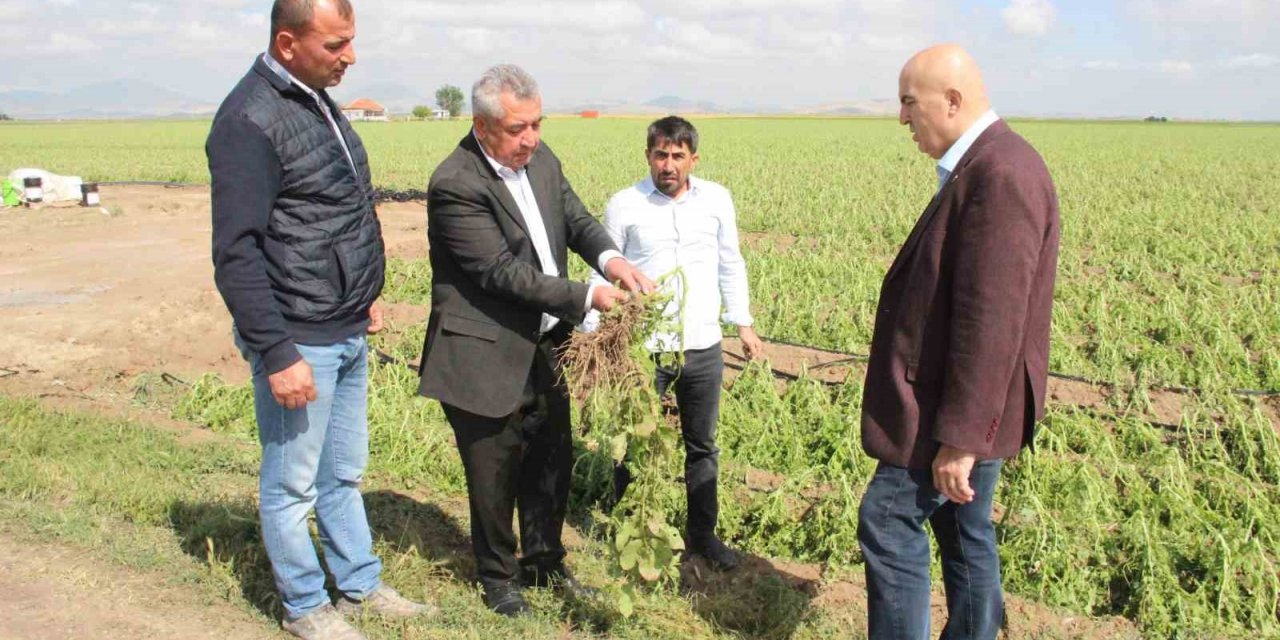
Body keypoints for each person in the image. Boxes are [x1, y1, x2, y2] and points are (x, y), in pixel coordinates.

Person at [207, 1, 432, 638]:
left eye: (351, 41)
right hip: (299, 335)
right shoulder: (248, 120)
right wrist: (277, 352)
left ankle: (358, 585)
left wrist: (360, 293)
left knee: (342, 471)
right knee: (292, 484)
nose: (350, 57)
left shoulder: (313, 99)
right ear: (287, 43)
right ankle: (306, 606)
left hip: (344, 325)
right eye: (336, 44)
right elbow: (236, 253)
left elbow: (330, 214)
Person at [416, 63, 653, 617]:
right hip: (485, 353)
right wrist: (586, 296)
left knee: (550, 460)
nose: (532, 139)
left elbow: (574, 218)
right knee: (494, 473)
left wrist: (611, 260)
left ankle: (545, 563)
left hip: (548, 347)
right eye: (518, 128)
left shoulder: (540, 160)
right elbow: (501, 273)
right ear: (481, 124)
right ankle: (498, 580)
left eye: (537, 124)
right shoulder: (456, 183)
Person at [856, 44, 1061, 639]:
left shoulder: (999, 174)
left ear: (952, 100)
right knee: (963, 532)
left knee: (888, 520)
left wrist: (963, 441)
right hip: (972, 408)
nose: (901, 119)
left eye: (908, 103)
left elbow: (992, 320)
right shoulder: (995, 164)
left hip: (953, 413)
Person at [584, 115, 764, 571]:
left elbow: (731, 263)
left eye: (677, 155)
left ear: (693, 159)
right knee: (634, 442)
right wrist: (590, 338)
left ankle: (702, 535)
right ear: (648, 155)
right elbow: (602, 269)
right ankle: (635, 531)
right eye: (660, 154)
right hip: (646, 349)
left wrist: (741, 323)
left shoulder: (717, 199)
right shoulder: (625, 204)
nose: (668, 164)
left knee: (701, 444)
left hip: (702, 344)